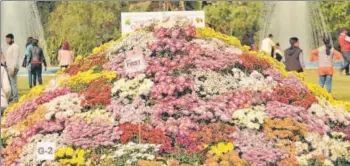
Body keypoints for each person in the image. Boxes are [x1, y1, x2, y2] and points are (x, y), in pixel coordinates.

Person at [5, 33, 20, 102]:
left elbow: (15, 58)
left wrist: (12, 69)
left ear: (12, 39)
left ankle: (15, 99)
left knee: (13, 83)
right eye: (6, 39)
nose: (6, 41)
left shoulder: (15, 47)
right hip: (9, 67)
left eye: (8, 39)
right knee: (11, 83)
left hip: (12, 68)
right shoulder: (11, 47)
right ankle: (12, 97)